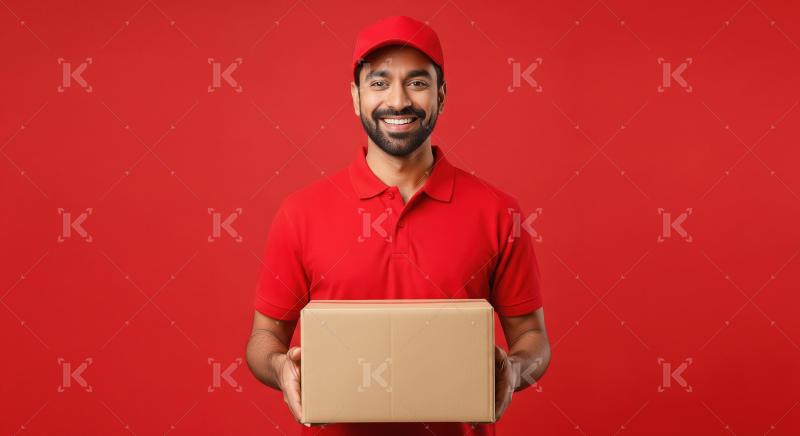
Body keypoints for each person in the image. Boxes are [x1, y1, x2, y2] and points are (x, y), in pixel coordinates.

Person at [245, 15, 551, 436]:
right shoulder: (299, 213)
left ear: (442, 96)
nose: (398, 99)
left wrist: (515, 369)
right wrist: (280, 368)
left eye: (418, 83)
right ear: (355, 97)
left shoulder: (499, 212)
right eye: (379, 82)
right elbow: (263, 338)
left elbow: (533, 337)